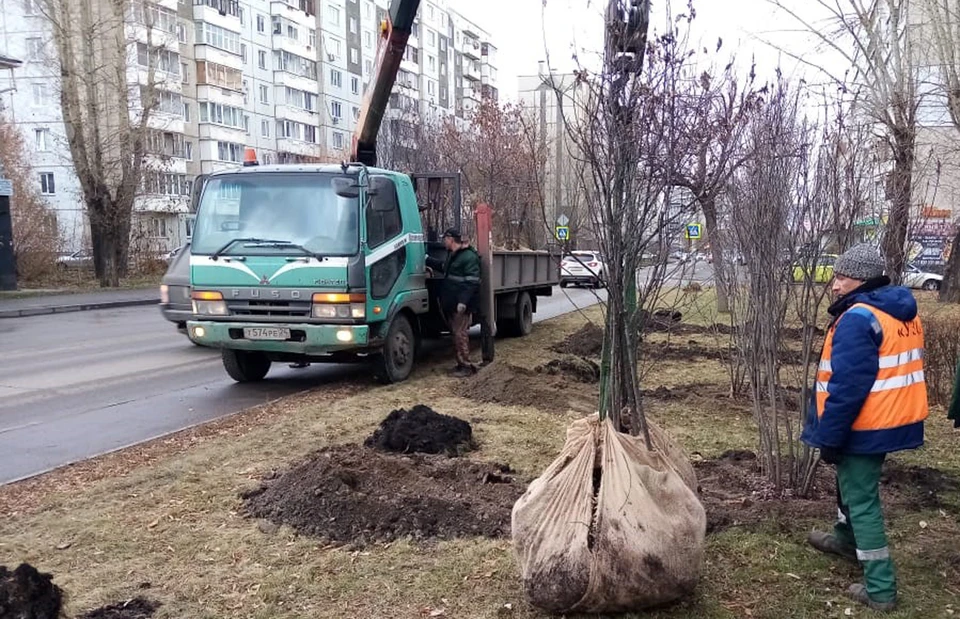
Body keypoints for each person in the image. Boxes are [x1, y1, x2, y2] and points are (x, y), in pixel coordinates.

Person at [802, 243, 928, 613]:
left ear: (862, 280)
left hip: (864, 425)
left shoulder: (858, 318)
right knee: (850, 487)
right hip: (890, 419)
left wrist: (830, 437)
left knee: (862, 499)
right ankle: (844, 539)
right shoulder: (898, 312)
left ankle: (881, 588)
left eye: (841, 277)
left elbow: (847, 387)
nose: (834, 285)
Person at [426, 228, 481, 377]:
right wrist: (427, 259)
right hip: (451, 302)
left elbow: (472, 282)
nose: (444, 241)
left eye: (445, 239)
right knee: (456, 334)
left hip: (461, 304)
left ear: (450, 239)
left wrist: (463, 302)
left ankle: (466, 366)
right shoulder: (453, 255)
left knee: (460, 334)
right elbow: (445, 268)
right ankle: (460, 363)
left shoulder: (469, 257)